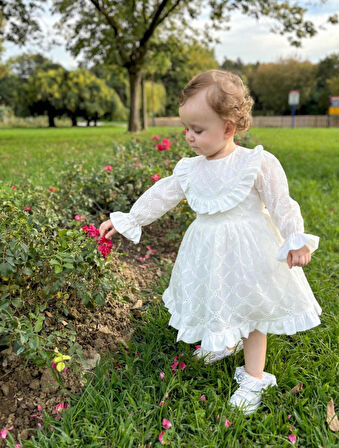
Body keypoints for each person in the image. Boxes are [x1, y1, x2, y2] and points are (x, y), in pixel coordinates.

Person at [98, 69, 321, 415]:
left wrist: (296, 240)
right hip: (209, 251)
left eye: (198, 130)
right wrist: (128, 219)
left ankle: (253, 376)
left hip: (251, 252)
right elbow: (162, 194)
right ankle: (223, 340)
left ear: (228, 128)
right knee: (218, 293)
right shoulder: (191, 169)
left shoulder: (256, 163)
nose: (188, 136)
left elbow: (281, 203)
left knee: (252, 310)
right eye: (185, 128)